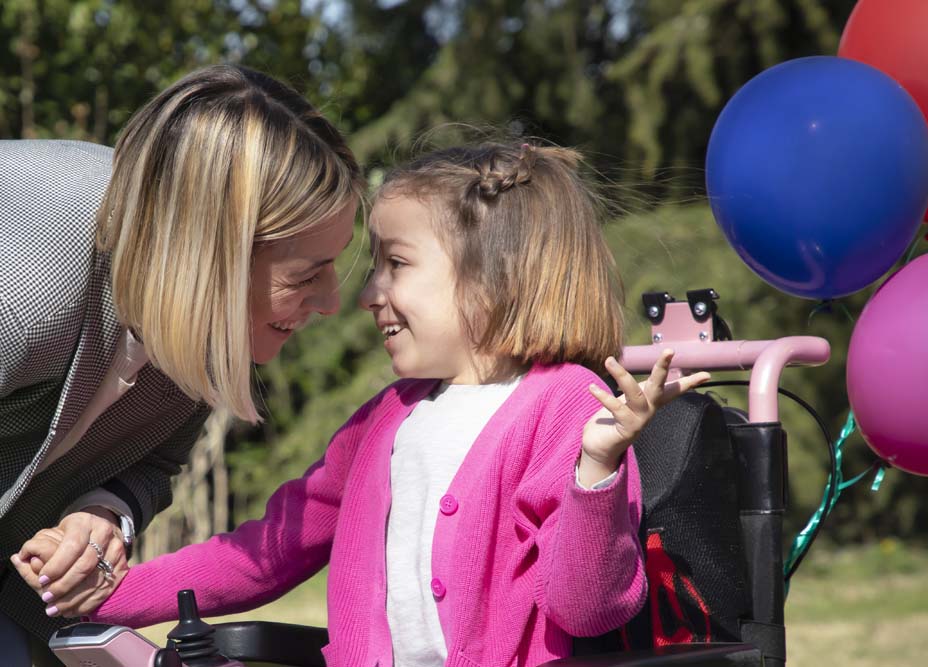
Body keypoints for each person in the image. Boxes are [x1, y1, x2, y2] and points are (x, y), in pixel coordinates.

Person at [16, 142, 710, 666]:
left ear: (498, 277)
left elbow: (588, 607)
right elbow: (266, 549)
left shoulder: (565, 406)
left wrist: (596, 472)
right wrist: (103, 593)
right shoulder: (386, 417)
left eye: (396, 264)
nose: (369, 294)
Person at [0, 64, 364, 666]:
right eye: (305, 276)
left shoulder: (194, 325)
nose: (330, 303)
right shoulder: (31, 275)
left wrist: (101, 513)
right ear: (210, 257)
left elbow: (154, 463)